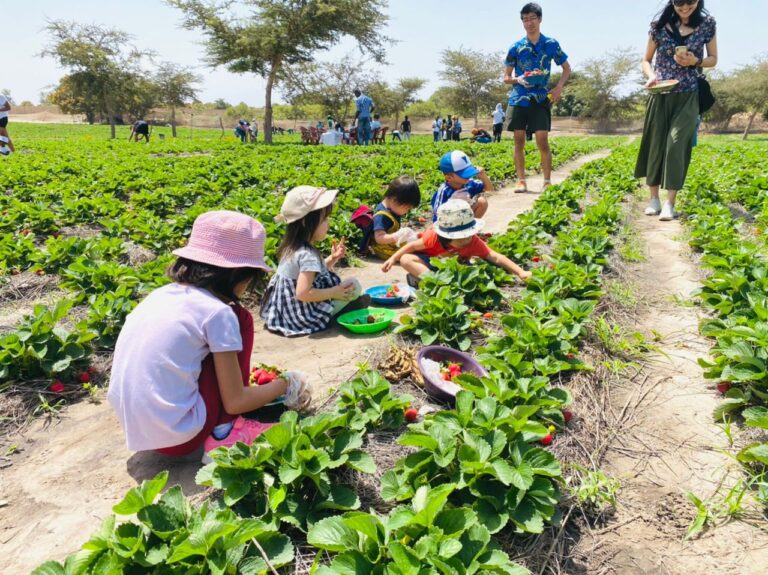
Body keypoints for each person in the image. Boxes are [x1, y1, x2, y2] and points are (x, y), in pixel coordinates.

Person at [107, 210, 311, 462]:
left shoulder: (158, 296)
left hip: (136, 429)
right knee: (242, 319)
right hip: (180, 437)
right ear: (241, 274)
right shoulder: (219, 313)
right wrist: (286, 383)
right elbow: (236, 401)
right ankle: (226, 432)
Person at [635, 0, 717, 221]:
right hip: (661, 93)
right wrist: (651, 76)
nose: (684, 7)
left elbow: (713, 59)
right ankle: (653, 199)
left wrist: (695, 60)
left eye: (689, 2)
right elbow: (646, 60)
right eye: (679, 3)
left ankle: (670, 202)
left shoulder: (707, 24)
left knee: (676, 144)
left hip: (689, 94)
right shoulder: (659, 26)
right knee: (656, 145)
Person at [261, 186, 369, 336]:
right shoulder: (307, 254)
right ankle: (334, 313)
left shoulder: (291, 247)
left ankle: (340, 306)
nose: (328, 223)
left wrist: (333, 258)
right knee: (354, 285)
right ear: (306, 222)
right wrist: (334, 292)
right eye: (324, 219)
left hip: (284, 313)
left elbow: (312, 273)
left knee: (346, 287)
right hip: (303, 316)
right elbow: (303, 293)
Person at [382, 199, 532, 285]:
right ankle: (435, 282)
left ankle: (427, 282)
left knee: (471, 269)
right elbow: (412, 245)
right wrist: (393, 258)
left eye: (468, 235)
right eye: (461, 238)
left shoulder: (472, 241)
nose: (466, 240)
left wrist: (521, 272)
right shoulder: (432, 238)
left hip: (456, 269)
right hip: (431, 264)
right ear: (446, 236)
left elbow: (495, 256)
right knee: (406, 259)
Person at [504, 3, 571, 193]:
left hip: (541, 98)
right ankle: (521, 180)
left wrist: (558, 88)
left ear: (540, 19)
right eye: (525, 19)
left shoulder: (551, 44)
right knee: (518, 140)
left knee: (542, 140)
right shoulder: (515, 47)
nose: (529, 23)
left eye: (533, 18)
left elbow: (566, 68)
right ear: (522, 22)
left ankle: (547, 181)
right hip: (519, 98)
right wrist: (518, 78)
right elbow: (506, 78)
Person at [365, 176, 422, 260]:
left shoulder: (393, 209)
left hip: (392, 246)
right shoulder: (381, 216)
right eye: (407, 208)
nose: (407, 212)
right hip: (386, 251)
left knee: (418, 242)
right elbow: (379, 238)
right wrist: (396, 236)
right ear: (394, 200)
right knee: (416, 251)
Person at [431, 150, 490, 222]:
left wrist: (483, 176)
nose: (468, 176)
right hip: (450, 222)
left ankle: (470, 228)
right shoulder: (444, 191)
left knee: (482, 202)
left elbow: (489, 189)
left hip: (465, 216)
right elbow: (437, 215)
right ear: (449, 178)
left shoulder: (469, 183)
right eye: (464, 174)